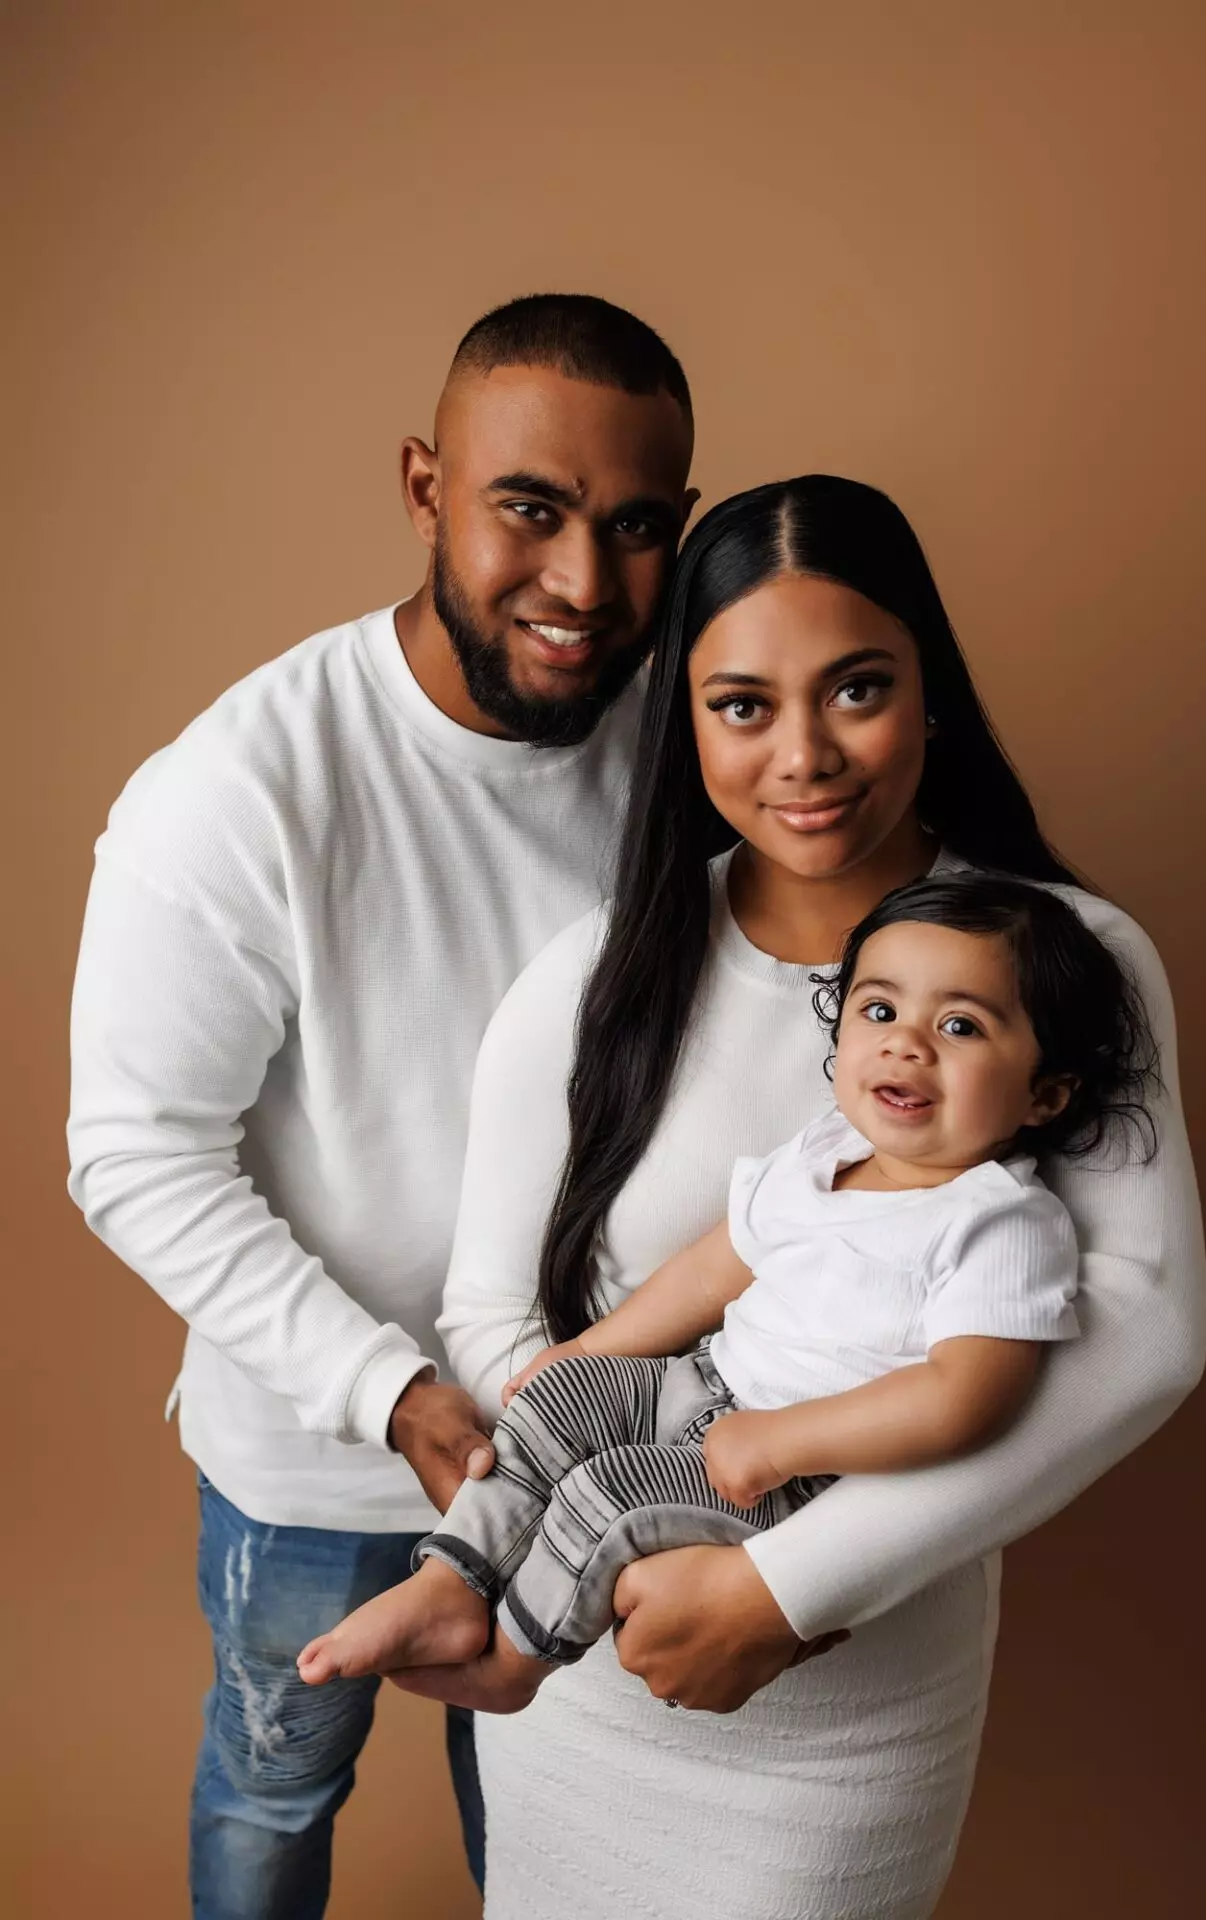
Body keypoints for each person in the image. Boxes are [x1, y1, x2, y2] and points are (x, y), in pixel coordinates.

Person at [363, 476, 1206, 1920]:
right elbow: (495, 1314)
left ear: (929, 694)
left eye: (857, 689)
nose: (804, 755)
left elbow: (1142, 1337)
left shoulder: (1065, 961)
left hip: (846, 1706)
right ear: (686, 726)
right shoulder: (593, 977)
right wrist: (605, 1536)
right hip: (576, 1673)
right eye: (742, 705)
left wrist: (787, 1586)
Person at [65, 293, 698, 1919]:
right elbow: (134, 1155)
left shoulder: (696, 745)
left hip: (594, 1444)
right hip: (321, 1465)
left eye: (634, 527)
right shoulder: (240, 790)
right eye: (528, 509)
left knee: (559, 1833)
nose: (582, 582)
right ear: (425, 487)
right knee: (272, 1796)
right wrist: (395, 1396)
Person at [297, 871, 1161, 1689]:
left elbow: (965, 1398)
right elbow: (715, 1267)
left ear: (1044, 1096)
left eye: (961, 1027)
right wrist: (590, 1352)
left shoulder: (999, 1221)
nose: (905, 1042)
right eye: (879, 1009)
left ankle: (512, 1663)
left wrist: (783, 1442)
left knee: (608, 1494)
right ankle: (451, 1585)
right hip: (701, 1383)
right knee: (561, 1399)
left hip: (796, 1474)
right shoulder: (828, 1148)